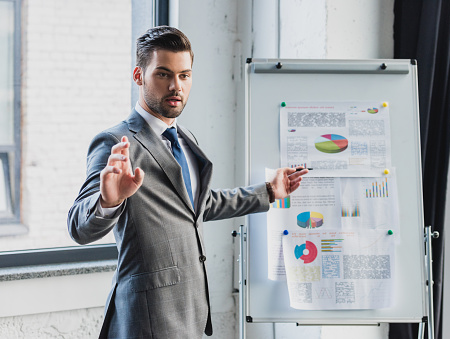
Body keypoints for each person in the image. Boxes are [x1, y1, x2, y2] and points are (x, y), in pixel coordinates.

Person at [67, 26, 308, 338]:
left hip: (191, 311)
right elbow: (78, 226)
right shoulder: (115, 142)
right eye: (163, 74)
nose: (175, 86)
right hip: (147, 318)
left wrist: (268, 192)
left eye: (184, 75)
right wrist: (108, 201)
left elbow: (199, 205)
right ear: (139, 76)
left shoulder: (185, 139)